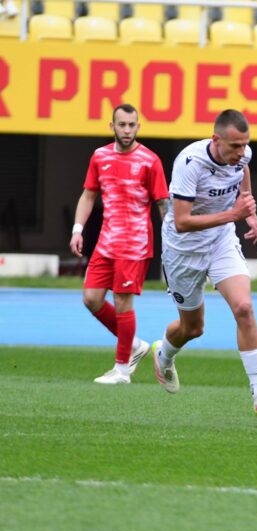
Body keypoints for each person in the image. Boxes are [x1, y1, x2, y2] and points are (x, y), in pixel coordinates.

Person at [152, 109, 257, 417]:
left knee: (244, 307)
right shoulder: (190, 163)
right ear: (215, 139)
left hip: (221, 241)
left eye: (245, 145)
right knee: (193, 328)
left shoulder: (242, 155)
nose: (241, 152)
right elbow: (182, 221)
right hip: (183, 250)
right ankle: (164, 355)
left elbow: (243, 175)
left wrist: (249, 210)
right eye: (235, 146)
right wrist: (234, 214)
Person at [69, 103, 169, 385]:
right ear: (112, 126)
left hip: (134, 244)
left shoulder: (150, 161)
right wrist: (78, 229)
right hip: (105, 243)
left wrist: (172, 240)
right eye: (122, 124)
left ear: (138, 127)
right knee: (91, 299)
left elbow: (163, 204)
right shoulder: (100, 156)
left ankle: (122, 370)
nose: (127, 130)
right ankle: (135, 345)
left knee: (123, 303)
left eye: (131, 125)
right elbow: (89, 195)